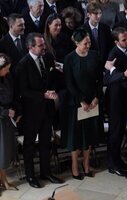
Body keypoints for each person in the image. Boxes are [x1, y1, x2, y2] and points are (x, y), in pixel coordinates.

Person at [16, 32, 63, 188]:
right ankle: (30, 176)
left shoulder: (48, 58)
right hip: (31, 112)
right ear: (31, 47)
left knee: (45, 143)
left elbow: (53, 79)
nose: (44, 47)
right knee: (29, 145)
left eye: (44, 44)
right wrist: (43, 95)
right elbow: (23, 91)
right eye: (40, 45)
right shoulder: (23, 65)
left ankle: (46, 172)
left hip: (47, 109)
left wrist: (52, 91)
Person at [62, 28, 103, 180]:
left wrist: (96, 97)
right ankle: (74, 166)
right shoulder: (69, 58)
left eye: (89, 42)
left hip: (93, 101)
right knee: (76, 136)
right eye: (85, 43)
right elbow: (69, 83)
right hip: (76, 103)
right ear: (77, 43)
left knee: (89, 135)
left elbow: (100, 79)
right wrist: (81, 100)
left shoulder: (94, 55)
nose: (88, 45)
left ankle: (86, 165)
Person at [104, 27, 127, 177]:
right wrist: (123, 74)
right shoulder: (113, 53)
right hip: (115, 99)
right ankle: (112, 164)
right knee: (115, 132)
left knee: (121, 132)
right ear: (116, 42)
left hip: (125, 97)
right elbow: (108, 79)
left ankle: (118, 160)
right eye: (123, 40)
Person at [0, 53, 18, 191]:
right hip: (2, 117)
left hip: (6, 120)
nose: (8, 71)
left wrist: (13, 109)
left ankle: (4, 180)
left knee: (4, 152)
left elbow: (13, 94)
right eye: (6, 68)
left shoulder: (7, 77)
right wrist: (5, 112)